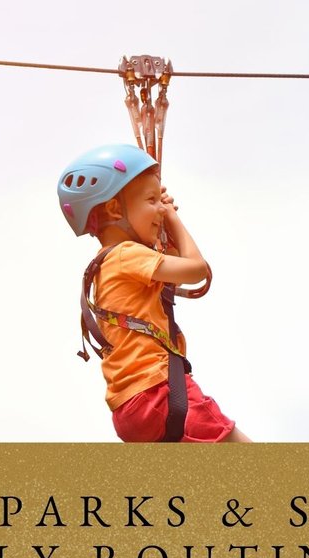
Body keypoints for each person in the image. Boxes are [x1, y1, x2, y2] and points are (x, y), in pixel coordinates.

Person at [57, 143, 251, 443]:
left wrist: (159, 217)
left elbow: (173, 265)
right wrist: (173, 217)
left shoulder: (109, 266)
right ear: (112, 208)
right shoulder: (126, 255)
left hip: (131, 409)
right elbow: (196, 268)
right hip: (159, 393)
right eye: (150, 200)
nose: (160, 207)